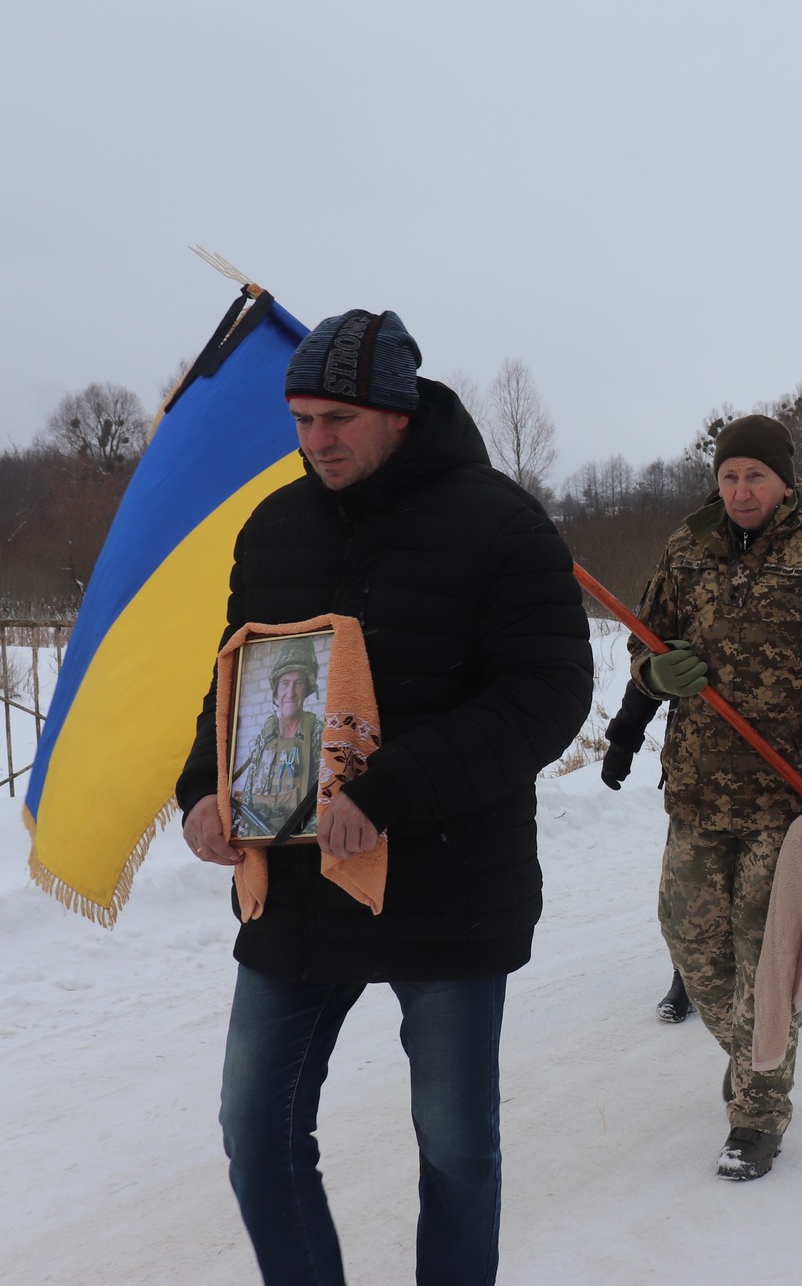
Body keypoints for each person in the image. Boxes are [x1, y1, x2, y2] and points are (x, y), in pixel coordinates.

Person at [175, 309, 593, 1286]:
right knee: (255, 1131)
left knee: (453, 1148)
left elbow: (545, 696)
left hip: (446, 883)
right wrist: (206, 787)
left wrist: (392, 789)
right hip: (296, 884)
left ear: (398, 415)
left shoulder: (501, 521)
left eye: (337, 420)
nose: (315, 441)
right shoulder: (275, 526)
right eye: (301, 420)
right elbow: (235, 677)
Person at [628, 414, 802, 1181]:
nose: (741, 489)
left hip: (788, 807)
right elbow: (643, 643)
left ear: (785, 480)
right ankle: (751, 1057)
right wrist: (657, 675)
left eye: (755, 475)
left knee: (763, 963)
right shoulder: (687, 551)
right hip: (698, 792)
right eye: (729, 476)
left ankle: (757, 1111)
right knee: (690, 940)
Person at [597, 680, 697, 1024]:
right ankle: (688, 982)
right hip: (698, 776)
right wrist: (624, 739)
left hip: (778, 779)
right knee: (686, 896)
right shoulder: (689, 622)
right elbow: (652, 665)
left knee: (764, 895)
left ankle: (768, 983)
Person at [231, 638, 324, 836]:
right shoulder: (264, 735)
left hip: (298, 838)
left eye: (297, 683)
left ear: (307, 688)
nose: (290, 693)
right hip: (259, 835)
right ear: (276, 690)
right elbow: (249, 792)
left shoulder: (318, 732)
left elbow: (325, 797)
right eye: (284, 683)